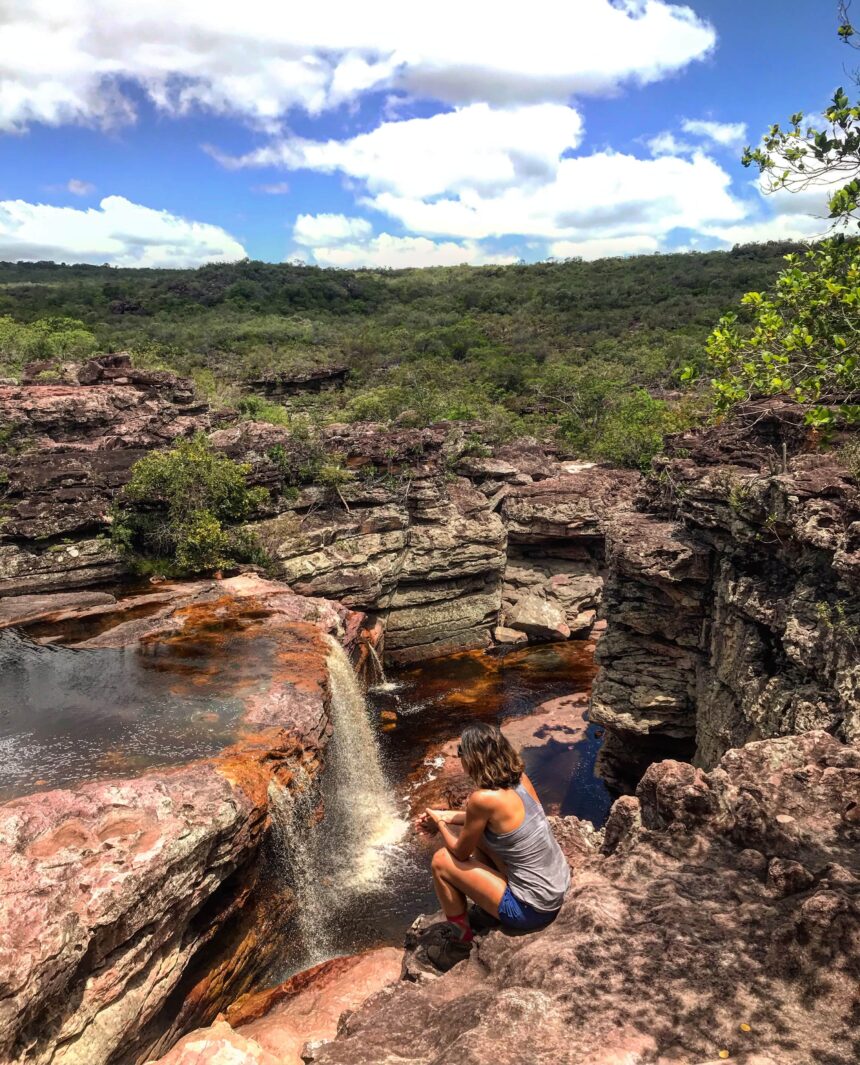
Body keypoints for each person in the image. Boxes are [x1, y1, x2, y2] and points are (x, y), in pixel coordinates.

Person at [422, 722, 571, 970]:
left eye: (461, 751)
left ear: (473, 757)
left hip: (531, 909)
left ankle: (459, 946)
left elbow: (459, 852)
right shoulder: (520, 779)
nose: (460, 757)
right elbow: (483, 821)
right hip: (558, 889)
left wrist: (439, 823)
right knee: (481, 836)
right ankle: (488, 905)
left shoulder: (483, 799)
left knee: (440, 861)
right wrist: (447, 815)